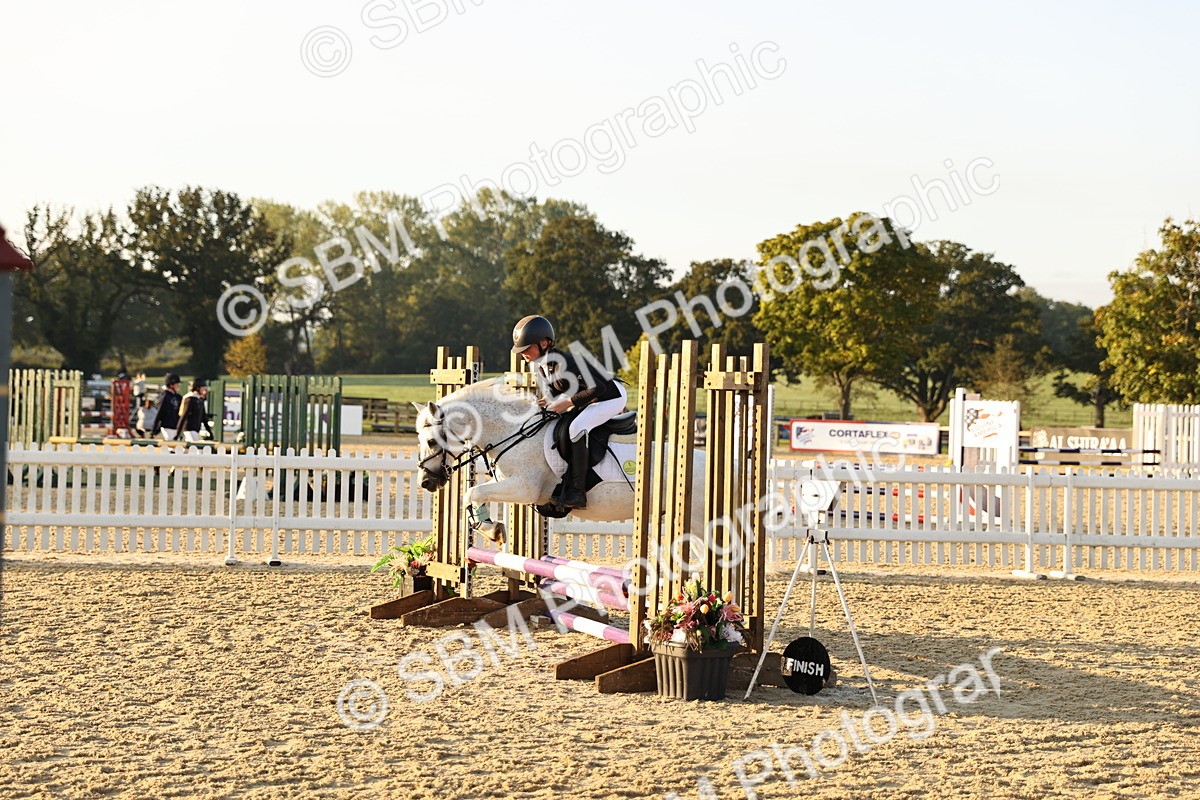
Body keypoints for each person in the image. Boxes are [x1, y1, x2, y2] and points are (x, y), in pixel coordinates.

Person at [511, 315, 626, 510]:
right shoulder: (542, 367)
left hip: (610, 397)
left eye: (526, 348)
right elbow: (558, 390)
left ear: (544, 343)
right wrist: (547, 401)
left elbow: (598, 388)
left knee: (577, 428)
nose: (522, 353)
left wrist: (566, 403)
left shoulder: (565, 362)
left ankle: (577, 491)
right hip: (591, 396)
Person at [151, 373, 183, 440]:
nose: (179, 386)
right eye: (177, 384)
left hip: (176, 426)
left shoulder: (178, 397)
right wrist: (154, 429)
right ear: (171, 385)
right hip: (167, 426)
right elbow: (160, 412)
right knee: (173, 446)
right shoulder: (165, 397)